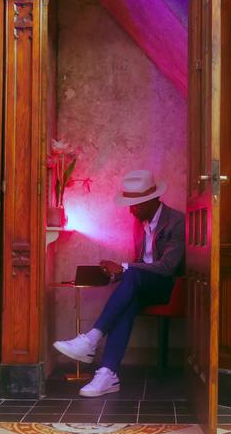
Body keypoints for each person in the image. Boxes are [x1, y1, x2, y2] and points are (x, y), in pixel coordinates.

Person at [53, 169, 185, 397]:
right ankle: (107, 373)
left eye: (136, 205)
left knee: (131, 275)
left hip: (167, 287)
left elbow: (166, 267)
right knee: (127, 305)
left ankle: (91, 340)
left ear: (151, 200)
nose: (131, 210)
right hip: (142, 285)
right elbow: (140, 263)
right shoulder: (139, 223)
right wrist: (114, 274)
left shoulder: (176, 221)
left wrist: (123, 268)